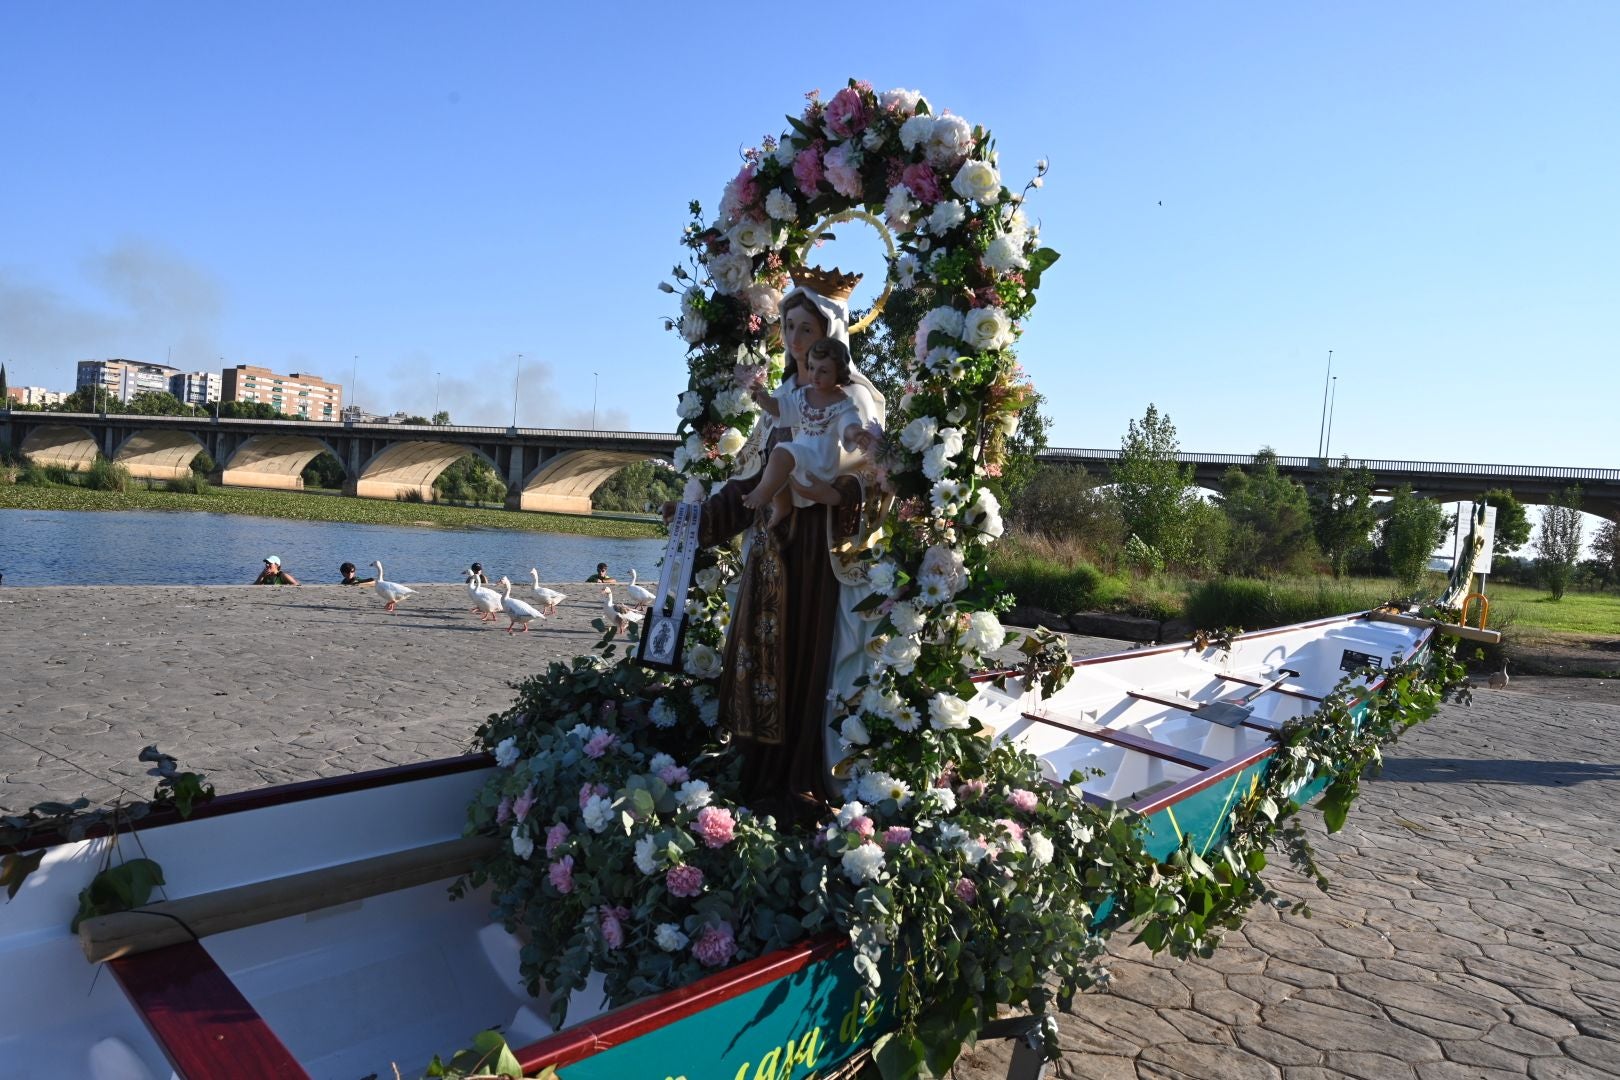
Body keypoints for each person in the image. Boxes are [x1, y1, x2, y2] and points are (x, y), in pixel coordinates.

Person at [672, 270, 886, 822]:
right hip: (773, 546)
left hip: (820, 552)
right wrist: (700, 517)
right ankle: (758, 764)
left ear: (829, 335)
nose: (794, 340)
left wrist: (834, 492)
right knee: (763, 655)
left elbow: (873, 476)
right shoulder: (789, 398)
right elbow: (752, 478)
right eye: (788, 327)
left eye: (806, 329)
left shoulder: (857, 398)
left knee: (806, 656)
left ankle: (805, 771)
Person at [743, 338, 875, 529]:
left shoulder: (842, 403)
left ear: (838, 372)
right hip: (800, 453)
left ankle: (763, 493)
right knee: (776, 463)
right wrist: (764, 399)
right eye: (812, 368)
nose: (815, 375)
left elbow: (848, 423)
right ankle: (782, 506)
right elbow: (781, 408)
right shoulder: (803, 394)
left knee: (780, 454)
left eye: (823, 371)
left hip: (820, 461)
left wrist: (855, 433)